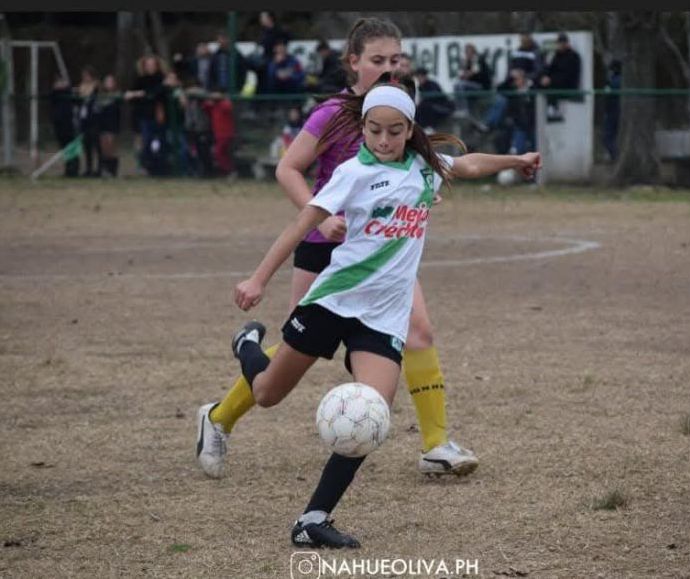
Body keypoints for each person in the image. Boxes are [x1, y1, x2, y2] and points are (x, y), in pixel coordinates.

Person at [229, 80, 541, 549]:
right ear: (364, 128)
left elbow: (470, 162)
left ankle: (312, 518)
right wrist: (257, 280)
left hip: (382, 318)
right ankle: (246, 346)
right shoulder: (352, 173)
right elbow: (301, 226)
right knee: (269, 392)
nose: (384, 140)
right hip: (333, 302)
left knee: (370, 418)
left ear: (409, 128)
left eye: (394, 131)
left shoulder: (425, 168)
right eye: (375, 130)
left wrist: (516, 161)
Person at [197, 17, 480, 482]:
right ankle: (219, 417)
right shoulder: (331, 114)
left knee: (420, 332)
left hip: (384, 247)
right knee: (296, 349)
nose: (389, 68)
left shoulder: (398, 109)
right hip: (325, 247)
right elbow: (288, 169)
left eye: (395, 59)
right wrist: (323, 216)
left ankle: (435, 445)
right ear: (353, 63)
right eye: (377, 60)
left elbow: (417, 167)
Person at [125, 55, 169, 176]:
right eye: (148, 65)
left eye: (153, 65)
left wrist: (141, 94)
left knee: (159, 141)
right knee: (146, 140)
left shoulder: (161, 78)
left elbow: (157, 93)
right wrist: (137, 95)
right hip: (144, 115)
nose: (150, 67)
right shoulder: (140, 80)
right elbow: (131, 97)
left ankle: (160, 167)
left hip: (158, 115)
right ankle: (147, 166)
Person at [538, 32, 582, 122]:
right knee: (538, 84)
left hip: (568, 84)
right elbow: (550, 69)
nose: (560, 45)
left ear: (567, 43)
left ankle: (553, 110)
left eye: (562, 43)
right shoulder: (556, 55)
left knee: (551, 87)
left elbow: (569, 75)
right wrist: (544, 77)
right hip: (555, 81)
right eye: (559, 43)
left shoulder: (573, 56)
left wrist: (551, 80)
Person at [49, 74, 79, 178]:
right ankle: (68, 170)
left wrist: (69, 88)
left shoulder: (70, 93)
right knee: (64, 147)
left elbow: (77, 100)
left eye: (62, 82)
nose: (59, 84)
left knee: (72, 147)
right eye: (58, 82)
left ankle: (74, 170)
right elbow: (53, 95)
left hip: (69, 124)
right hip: (59, 124)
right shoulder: (55, 94)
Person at [453, 43, 492, 116]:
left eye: (469, 52)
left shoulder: (478, 59)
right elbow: (461, 75)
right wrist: (465, 69)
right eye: (466, 52)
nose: (467, 54)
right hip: (471, 85)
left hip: (481, 86)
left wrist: (466, 73)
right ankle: (459, 109)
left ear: (473, 52)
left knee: (461, 85)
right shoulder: (465, 61)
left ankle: (464, 109)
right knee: (456, 85)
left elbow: (472, 73)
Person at [413, 66, 455, 132]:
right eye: (418, 77)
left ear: (425, 76)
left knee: (425, 107)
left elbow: (436, 98)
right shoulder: (420, 87)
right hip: (431, 108)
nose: (419, 79)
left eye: (421, 76)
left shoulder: (432, 85)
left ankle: (428, 128)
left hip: (442, 107)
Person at [76, 65, 101, 177]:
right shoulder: (81, 87)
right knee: (86, 145)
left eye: (87, 75)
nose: (85, 77)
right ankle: (88, 168)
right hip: (83, 119)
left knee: (96, 144)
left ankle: (99, 168)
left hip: (94, 120)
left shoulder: (96, 87)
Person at [96, 73, 122, 177]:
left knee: (111, 146)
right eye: (107, 81)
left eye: (111, 81)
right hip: (103, 123)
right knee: (104, 147)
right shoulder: (100, 96)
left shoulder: (117, 95)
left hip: (113, 123)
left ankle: (113, 171)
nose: (109, 84)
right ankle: (105, 169)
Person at [602, 59, 621, 162]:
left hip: (613, 112)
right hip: (614, 111)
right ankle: (615, 157)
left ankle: (616, 157)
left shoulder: (615, 82)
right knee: (610, 137)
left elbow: (608, 96)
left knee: (607, 137)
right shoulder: (615, 81)